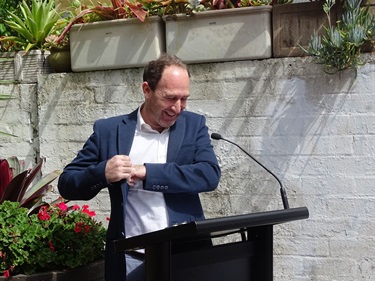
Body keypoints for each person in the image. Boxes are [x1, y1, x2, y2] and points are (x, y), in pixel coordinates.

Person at [58, 53, 221, 281]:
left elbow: (209, 175)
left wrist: (148, 173)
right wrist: (103, 173)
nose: (178, 107)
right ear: (147, 89)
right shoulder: (109, 131)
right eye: (170, 98)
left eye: (184, 99)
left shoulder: (194, 125)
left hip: (186, 257)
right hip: (131, 259)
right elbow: (67, 184)